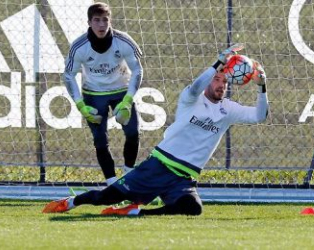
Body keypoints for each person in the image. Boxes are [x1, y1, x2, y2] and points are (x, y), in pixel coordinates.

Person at [43, 44, 269, 216]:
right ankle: (70, 203)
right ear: (210, 81)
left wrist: (262, 87)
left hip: (183, 176)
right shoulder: (191, 98)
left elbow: (260, 116)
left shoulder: (228, 110)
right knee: (105, 197)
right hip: (158, 165)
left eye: (225, 82)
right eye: (217, 80)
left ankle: (135, 211)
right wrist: (218, 62)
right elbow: (197, 85)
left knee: (193, 209)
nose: (221, 85)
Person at [64, 2, 143, 186]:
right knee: (100, 141)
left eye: (105, 20)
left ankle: (128, 177)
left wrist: (128, 100)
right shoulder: (79, 46)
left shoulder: (124, 41)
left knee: (133, 133)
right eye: (97, 20)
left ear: (110, 21)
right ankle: (112, 184)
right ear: (89, 22)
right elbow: (68, 75)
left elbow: (138, 70)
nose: (101, 25)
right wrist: (80, 105)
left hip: (121, 92)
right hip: (93, 94)